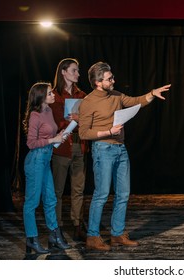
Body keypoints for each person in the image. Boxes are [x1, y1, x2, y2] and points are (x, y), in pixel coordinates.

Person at [78, 61, 171, 251]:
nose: (113, 80)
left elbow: (136, 101)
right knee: (102, 194)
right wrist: (108, 131)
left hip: (120, 149)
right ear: (97, 82)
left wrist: (152, 93)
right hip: (103, 150)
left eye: (112, 77)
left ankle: (117, 234)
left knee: (123, 194)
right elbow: (83, 133)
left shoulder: (117, 95)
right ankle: (93, 237)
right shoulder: (88, 102)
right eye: (109, 79)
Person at [22, 82, 71, 254]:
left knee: (51, 199)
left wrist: (59, 136)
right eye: (50, 93)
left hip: (45, 160)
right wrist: (52, 140)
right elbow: (31, 143)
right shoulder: (35, 115)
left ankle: (54, 236)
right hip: (35, 160)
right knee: (32, 202)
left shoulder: (48, 111)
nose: (53, 96)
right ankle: (32, 239)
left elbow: (50, 135)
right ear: (41, 97)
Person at [49, 58, 89, 242]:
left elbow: (90, 120)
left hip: (79, 146)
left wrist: (81, 119)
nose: (78, 74)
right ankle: (56, 227)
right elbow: (51, 124)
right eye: (74, 70)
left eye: (78, 71)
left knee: (78, 189)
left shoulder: (82, 95)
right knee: (57, 191)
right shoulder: (54, 96)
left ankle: (77, 225)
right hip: (61, 148)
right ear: (63, 72)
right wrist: (70, 120)